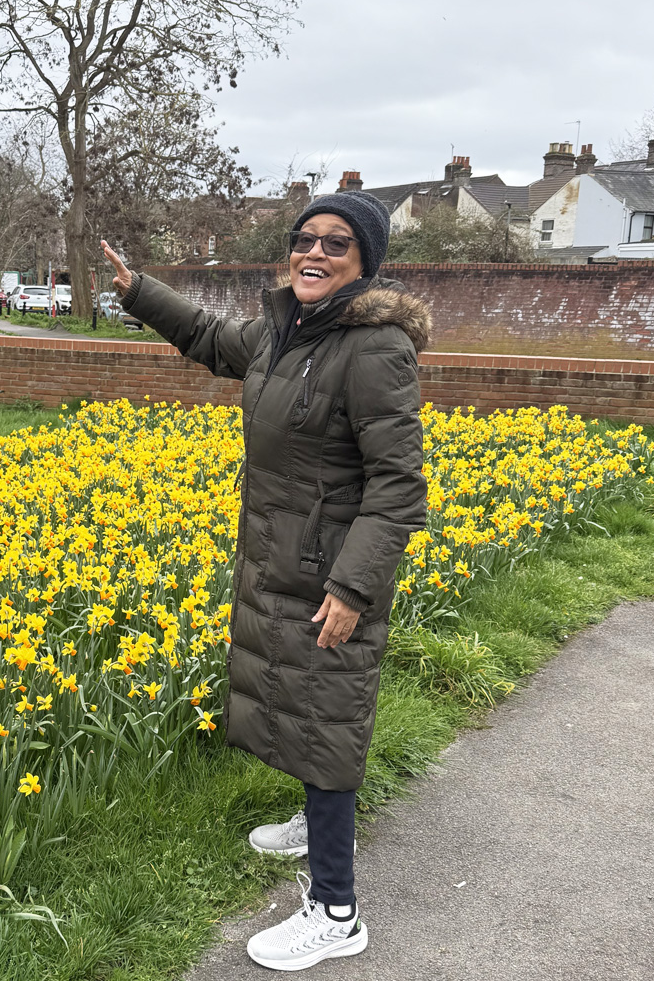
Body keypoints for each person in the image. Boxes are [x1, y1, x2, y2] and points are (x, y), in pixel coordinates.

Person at [103, 190, 429, 971]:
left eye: (337, 245)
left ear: (364, 264)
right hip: (286, 559)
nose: (313, 253)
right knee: (302, 705)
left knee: (327, 723)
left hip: (328, 574)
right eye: (304, 239)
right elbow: (214, 339)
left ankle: (336, 910)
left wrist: (352, 590)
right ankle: (318, 830)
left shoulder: (374, 346)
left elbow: (399, 486)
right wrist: (139, 291)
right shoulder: (291, 332)